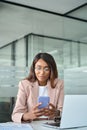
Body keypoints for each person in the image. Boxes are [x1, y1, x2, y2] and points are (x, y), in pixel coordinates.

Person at [12, 52, 64, 123]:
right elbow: (15, 115)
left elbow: (63, 111)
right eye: (38, 68)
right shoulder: (25, 84)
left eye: (46, 69)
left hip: (51, 125)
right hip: (32, 125)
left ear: (51, 70)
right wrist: (29, 115)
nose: (42, 72)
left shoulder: (58, 84)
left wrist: (56, 113)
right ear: (34, 69)